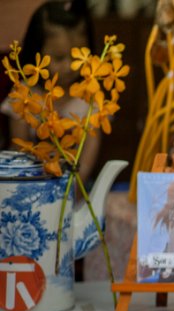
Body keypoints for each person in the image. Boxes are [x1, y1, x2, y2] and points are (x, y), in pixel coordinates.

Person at [2, 1, 99, 182]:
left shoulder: (89, 99)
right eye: (59, 57)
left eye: (77, 57)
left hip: (75, 188)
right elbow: (18, 149)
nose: (70, 66)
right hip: (31, 183)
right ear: (36, 51)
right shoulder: (24, 96)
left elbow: (87, 159)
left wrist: (73, 187)